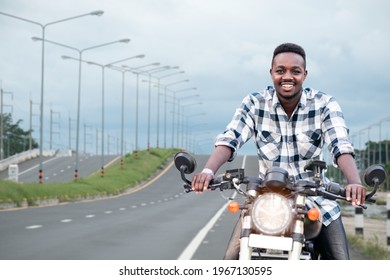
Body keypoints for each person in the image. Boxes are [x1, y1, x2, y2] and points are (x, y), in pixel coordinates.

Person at [191, 42, 366, 260]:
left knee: (342, 263)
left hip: (315, 199)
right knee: (230, 260)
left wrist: (354, 182)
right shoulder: (255, 103)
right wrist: (208, 172)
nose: (287, 77)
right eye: (280, 70)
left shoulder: (324, 104)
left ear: (305, 74)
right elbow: (230, 138)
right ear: (271, 73)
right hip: (266, 202)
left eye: (295, 71)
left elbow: (340, 145)